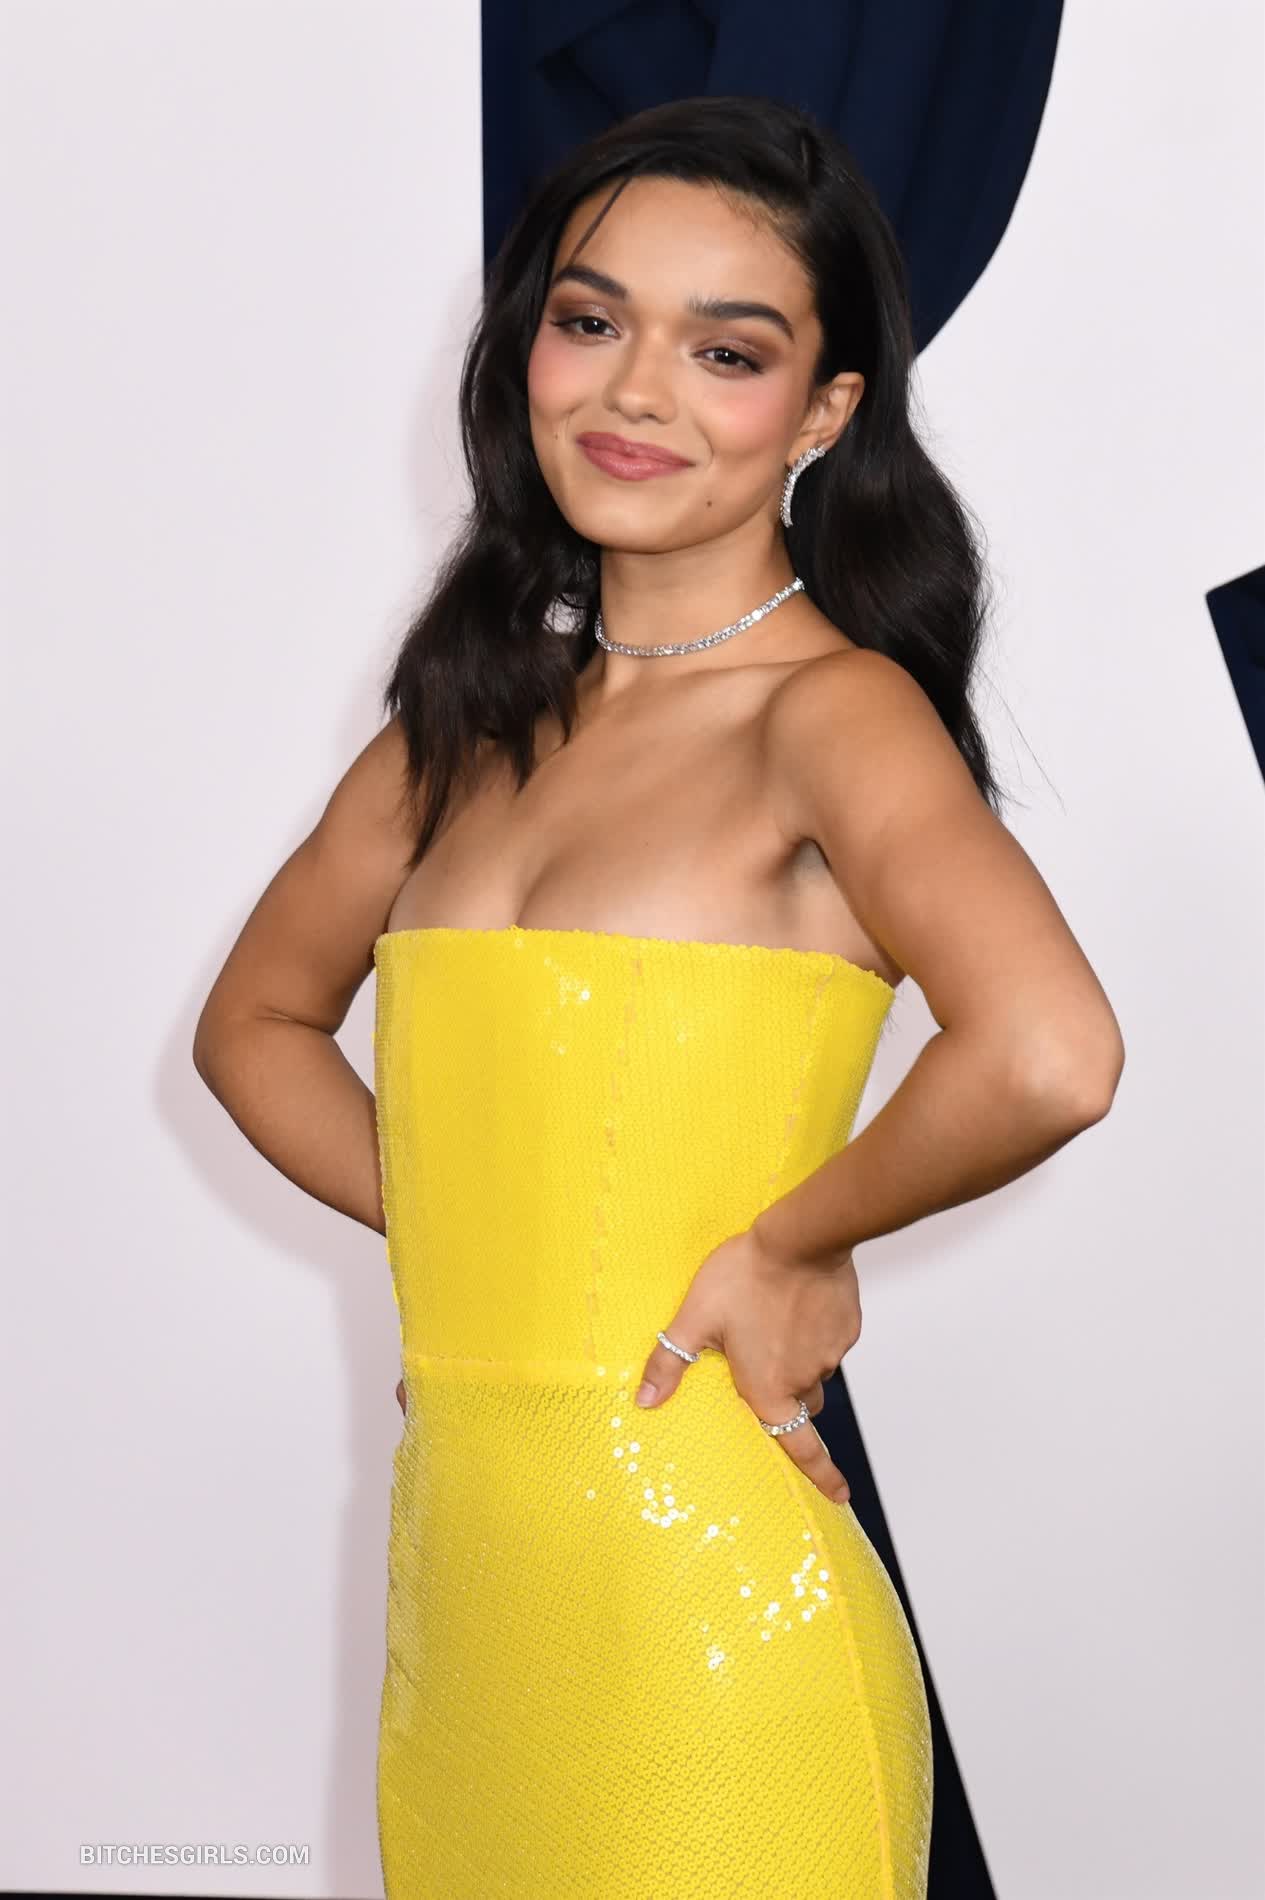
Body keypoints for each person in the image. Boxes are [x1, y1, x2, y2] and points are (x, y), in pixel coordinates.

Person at [193, 95, 1124, 1899]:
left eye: (727, 351)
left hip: (714, 1625)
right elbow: (253, 1030)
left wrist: (791, 1243)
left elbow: (1047, 1052)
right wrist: (482, 1233)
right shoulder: (460, 727)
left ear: (824, 413)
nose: (634, 393)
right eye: (590, 318)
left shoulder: (831, 715)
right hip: (470, 1629)